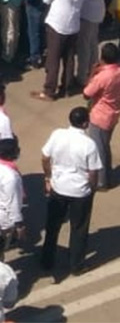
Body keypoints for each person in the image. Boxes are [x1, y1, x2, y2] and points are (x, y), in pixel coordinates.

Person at [40, 106, 103, 275]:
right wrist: (93, 188)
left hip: (58, 187)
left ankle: (47, 260)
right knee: (79, 228)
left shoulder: (57, 134)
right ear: (85, 123)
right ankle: (76, 265)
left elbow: (45, 157)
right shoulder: (89, 144)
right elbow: (93, 171)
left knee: (52, 226)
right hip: (80, 192)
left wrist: (48, 177)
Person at [83, 41, 120, 189]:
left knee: (98, 150)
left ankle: (101, 181)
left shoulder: (103, 76)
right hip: (113, 114)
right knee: (105, 146)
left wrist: (92, 73)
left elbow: (86, 93)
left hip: (100, 116)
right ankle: (107, 175)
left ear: (102, 57)